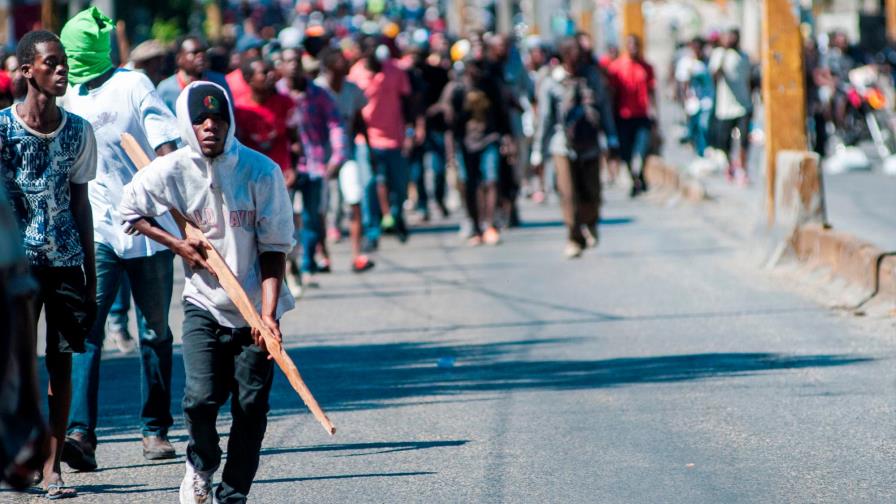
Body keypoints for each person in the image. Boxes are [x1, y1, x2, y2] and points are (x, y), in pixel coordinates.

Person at [120, 81, 295, 504]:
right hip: (203, 303)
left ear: (230, 120)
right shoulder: (172, 170)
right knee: (200, 400)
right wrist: (178, 244)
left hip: (256, 307)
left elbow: (275, 250)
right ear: (187, 124)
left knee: (251, 408)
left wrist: (267, 317)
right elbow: (130, 210)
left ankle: (233, 493)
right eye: (200, 119)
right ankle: (201, 462)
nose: (210, 125)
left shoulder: (261, 171)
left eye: (218, 117)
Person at [59, 6, 181, 471]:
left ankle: (155, 428)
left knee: (154, 330)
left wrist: (181, 200)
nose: (70, 61)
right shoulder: (68, 94)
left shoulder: (133, 84)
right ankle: (79, 434)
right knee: (85, 332)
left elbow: (166, 146)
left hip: (149, 231)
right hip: (98, 230)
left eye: (74, 53)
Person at [0, 30, 98, 499]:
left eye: (64, 64)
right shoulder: (1, 130)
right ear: (26, 71)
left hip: (65, 263)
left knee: (61, 365)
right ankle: (17, 454)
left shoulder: (79, 130)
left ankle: (53, 466)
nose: (62, 70)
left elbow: (82, 205)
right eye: (51, 63)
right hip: (16, 269)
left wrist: (92, 278)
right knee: (16, 365)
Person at [532, 37, 618, 259]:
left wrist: (611, 139)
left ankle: (590, 223)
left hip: (590, 145)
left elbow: (605, 109)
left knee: (592, 191)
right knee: (568, 193)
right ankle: (573, 237)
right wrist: (537, 152)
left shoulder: (592, 78)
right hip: (563, 146)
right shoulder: (552, 82)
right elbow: (545, 119)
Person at [278, 47, 346, 280]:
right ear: (281, 66)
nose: (294, 65)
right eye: (288, 61)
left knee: (313, 216)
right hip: (283, 167)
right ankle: (288, 263)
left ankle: (307, 262)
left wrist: (337, 156)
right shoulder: (277, 95)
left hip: (315, 164)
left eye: (297, 61)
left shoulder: (318, 93)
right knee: (283, 218)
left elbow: (336, 123)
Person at [315, 48, 377, 272]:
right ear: (330, 66)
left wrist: (369, 150)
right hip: (320, 157)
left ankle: (357, 254)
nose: (347, 64)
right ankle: (323, 254)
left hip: (347, 153)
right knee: (320, 206)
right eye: (342, 61)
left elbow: (360, 122)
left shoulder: (352, 89)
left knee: (354, 199)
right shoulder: (317, 90)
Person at [349, 35, 413, 248]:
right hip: (365, 139)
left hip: (394, 137)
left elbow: (407, 100)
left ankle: (396, 216)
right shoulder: (356, 74)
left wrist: (411, 130)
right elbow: (354, 109)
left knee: (400, 183)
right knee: (369, 184)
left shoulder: (395, 70)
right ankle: (372, 231)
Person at [443, 54, 509, 246]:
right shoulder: (457, 89)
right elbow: (448, 123)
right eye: (473, 66)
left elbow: (502, 113)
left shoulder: (491, 86)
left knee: (491, 180)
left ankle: (489, 224)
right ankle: (474, 224)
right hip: (465, 143)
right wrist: (451, 152)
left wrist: (507, 138)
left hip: (489, 139)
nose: (477, 71)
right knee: (468, 185)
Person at [607, 34, 656, 196]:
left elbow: (652, 91)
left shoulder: (646, 67)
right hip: (622, 115)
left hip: (641, 114)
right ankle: (635, 178)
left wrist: (655, 113)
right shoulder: (616, 67)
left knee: (641, 149)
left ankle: (638, 173)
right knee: (626, 151)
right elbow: (612, 93)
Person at [708, 29, 753, 183]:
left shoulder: (744, 57)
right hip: (725, 107)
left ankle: (743, 168)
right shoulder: (719, 54)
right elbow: (714, 74)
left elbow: (749, 79)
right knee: (724, 141)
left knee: (743, 139)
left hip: (744, 105)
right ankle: (730, 166)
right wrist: (723, 56)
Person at [157, 35, 232, 114]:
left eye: (203, 51)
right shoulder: (165, 89)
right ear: (179, 59)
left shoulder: (219, 83)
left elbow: (228, 114)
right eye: (194, 52)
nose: (201, 56)